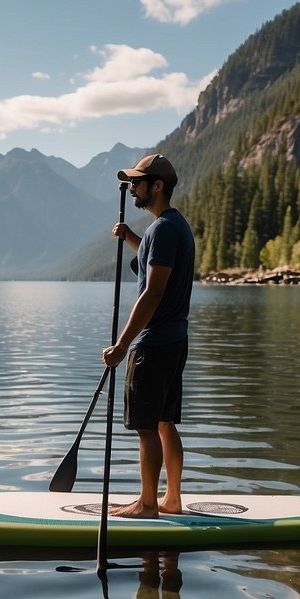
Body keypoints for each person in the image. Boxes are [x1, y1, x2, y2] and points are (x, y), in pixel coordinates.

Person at [101, 154, 195, 518]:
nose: (133, 188)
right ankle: (172, 499)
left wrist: (123, 345)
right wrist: (131, 239)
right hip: (175, 340)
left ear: (157, 186)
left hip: (153, 344)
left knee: (145, 429)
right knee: (163, 422)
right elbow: (157, 260)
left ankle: (147, 504)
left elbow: (152, 292)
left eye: (139, 182)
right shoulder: (172, 226)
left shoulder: (163, 228)